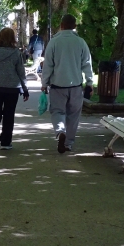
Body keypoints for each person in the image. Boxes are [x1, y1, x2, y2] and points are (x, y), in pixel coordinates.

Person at [41, 15, 94, 153]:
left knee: (57, 111)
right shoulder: (81, 42)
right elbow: (87, 64)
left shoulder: (54, 42)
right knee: (73, 115)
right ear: (74, 26)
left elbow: (48, 65)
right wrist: (90, 82)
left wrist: (44, 83)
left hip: (57, 86)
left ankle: (60, 132)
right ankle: (68, 143)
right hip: (75, 86)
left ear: (61, 25)